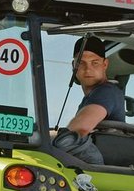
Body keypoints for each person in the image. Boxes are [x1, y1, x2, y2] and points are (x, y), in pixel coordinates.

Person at [52, 36, 126, 165]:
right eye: (81, 63)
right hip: (97, 165)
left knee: (64, 141)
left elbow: (80, 129)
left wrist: (40, 136)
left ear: (105, 64)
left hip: (99, 168)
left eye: (94, 62)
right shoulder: (91, 98)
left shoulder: (106, 92)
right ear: (73, 66)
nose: (88, 69)